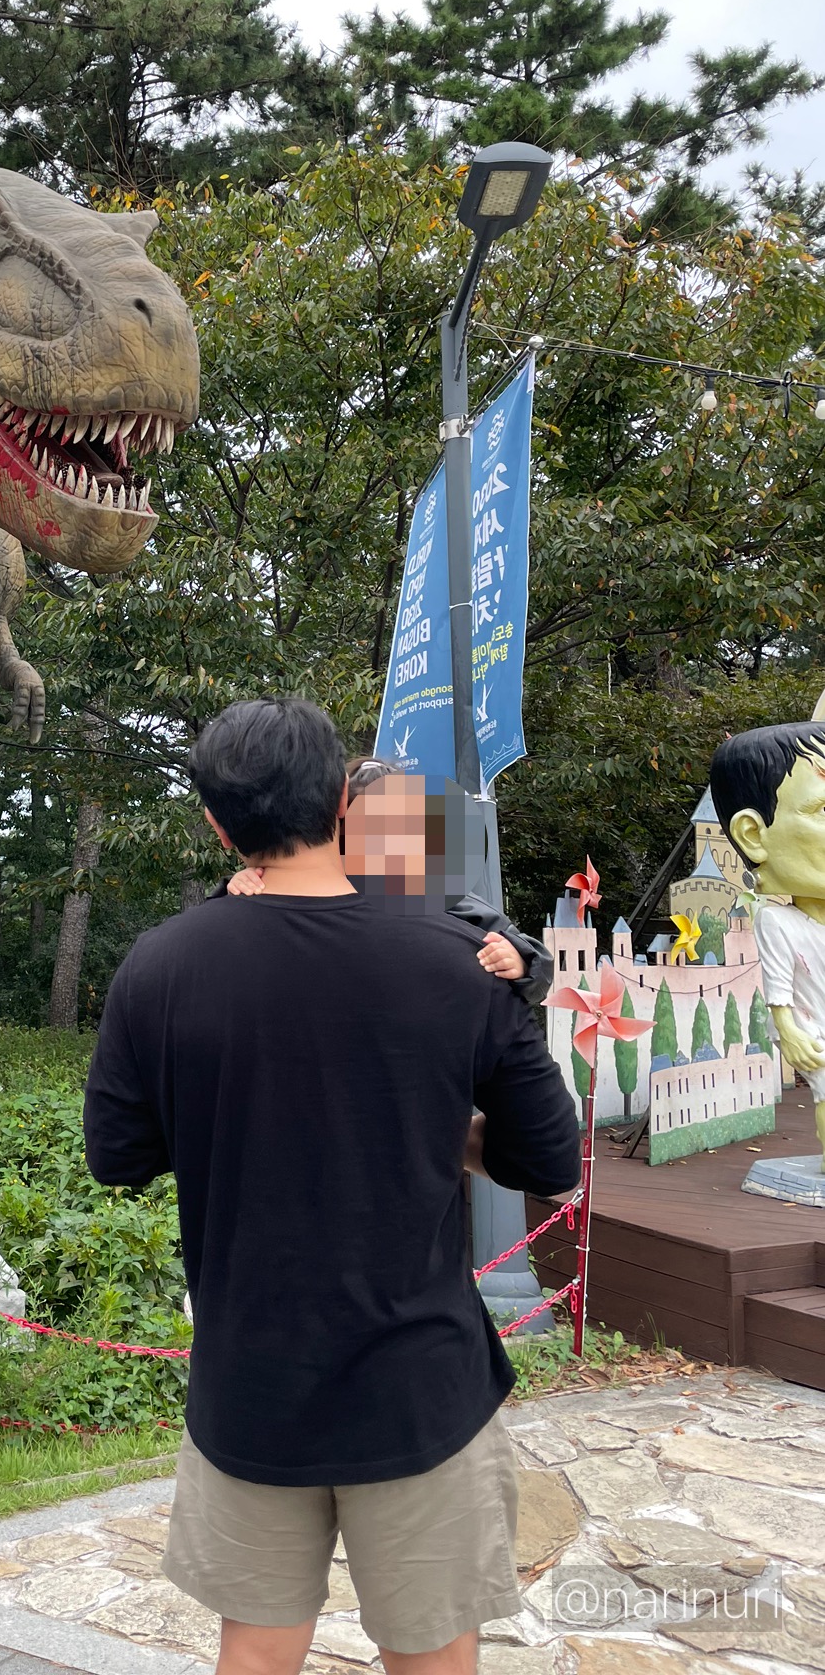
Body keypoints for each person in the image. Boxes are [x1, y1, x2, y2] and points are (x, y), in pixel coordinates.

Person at [84, 698, 580, 1675]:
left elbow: (119, 1155)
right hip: (421, 1388)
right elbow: (549, 1160)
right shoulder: (455, 963)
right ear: (341, 799)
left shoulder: (161, 965)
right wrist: (453, 1137)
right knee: (434, 1654)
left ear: (219, 823)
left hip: (251, 1384)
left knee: (258, 1652)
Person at [224, 758, 552, 1008]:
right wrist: (241, 882)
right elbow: (242, 916)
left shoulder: (439, 894)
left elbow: (536, 961)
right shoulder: (309, 882)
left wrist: (522, 962)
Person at [711, 721, 825, 1168]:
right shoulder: (778, 921)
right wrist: (790, 1033)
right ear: (754, 836)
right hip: (815, 1031)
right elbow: (779, 987)